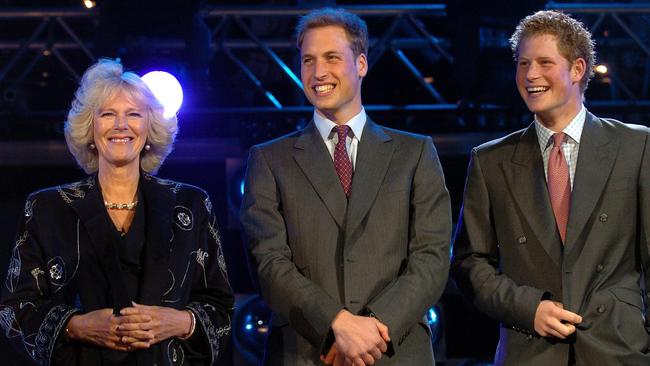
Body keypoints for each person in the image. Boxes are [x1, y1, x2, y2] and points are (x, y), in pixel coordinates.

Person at [240, 7, 451, 366]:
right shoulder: (269, 159)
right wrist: (336, 324)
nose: (318, 72)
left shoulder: (414, 153)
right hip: (307, 352)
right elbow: (268, 263)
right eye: (308, 60)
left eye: (331, 58)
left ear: (362, 64)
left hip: (393, 351)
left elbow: (431, 258)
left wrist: (371, 329)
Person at [0, 59, 234, 365]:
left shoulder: (191, 204)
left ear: (149, 129)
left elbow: (221, 307)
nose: (121, 125)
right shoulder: (47, 208)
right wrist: (77, 326)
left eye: (133, 114)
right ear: (90, 128)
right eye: (108, 114)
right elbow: (15, 310)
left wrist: (180, 322)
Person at [452, 10, 650, 365]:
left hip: (620, 351)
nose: (530, 75)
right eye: (523, 63)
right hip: (530, 351)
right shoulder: (491, 161)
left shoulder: (636, 147)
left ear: (577, 69)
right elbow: (470, 263)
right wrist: (530, 309)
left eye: (544, 62)